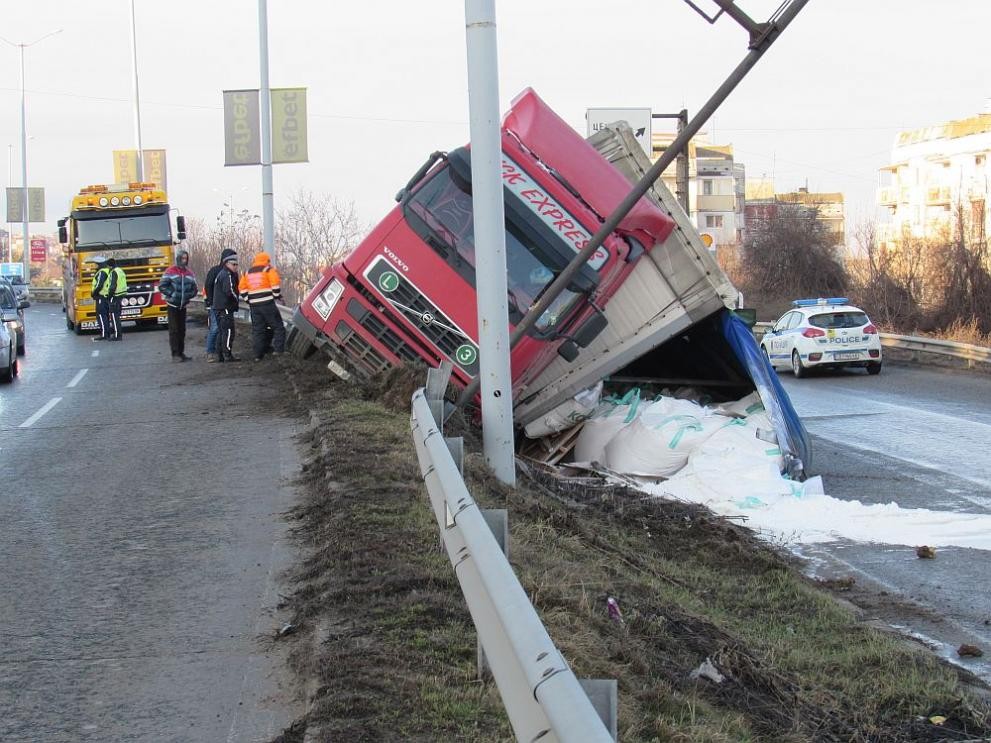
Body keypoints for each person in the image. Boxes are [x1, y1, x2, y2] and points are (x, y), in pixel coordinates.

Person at [238, 251, 286, 362]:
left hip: (254, 306)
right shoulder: (268, 270)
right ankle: (278, 351)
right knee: (278, 327)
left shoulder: (247, 272)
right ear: (267, 261)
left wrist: (248, 301)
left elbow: (242, 288)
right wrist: (276, 296)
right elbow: (275, 284)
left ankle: (258, 355)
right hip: (267, 304)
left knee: (258, 330)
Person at [158, 248, 198, 362]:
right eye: (182, 258)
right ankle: (175, 354)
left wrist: (188, 296)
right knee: (174, 330)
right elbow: (162, 286)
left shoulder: (189, 273)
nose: (184, 260)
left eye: (186, 258)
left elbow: (194, 289)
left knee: (182, 330)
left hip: (183, 305)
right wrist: (173, 294)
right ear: (178, 259)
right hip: (172, 305)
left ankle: (181, 353)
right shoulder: (170, 271)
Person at [203, 248, 237, 362]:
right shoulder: (221, 272)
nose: (235, 263)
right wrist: (210, 301)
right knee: (217, 329)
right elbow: (208, 286)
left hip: (217, 304)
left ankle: (218, 354)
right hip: (218, 305)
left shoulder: (226, 272)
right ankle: (211, 352)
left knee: (219, 329)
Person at [211, 252, 240, 362]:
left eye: (237, 264)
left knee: (222, 331)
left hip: (218, 307)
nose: (236, 267)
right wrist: (236, 299)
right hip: (225, 308)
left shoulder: (222, 274)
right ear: (227, 264)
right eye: (234, 264)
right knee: (228, 331)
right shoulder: (226, 275)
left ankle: (220, 355)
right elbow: (229, 291)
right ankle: (227, 354)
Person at [104, 257, 128, 341]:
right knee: (117, 316)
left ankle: (117, 335)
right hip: (121, 295)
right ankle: (118, 334)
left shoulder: (114, 272)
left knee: (114, 317)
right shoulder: (120, 270)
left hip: (114, 296)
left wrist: (109, 296)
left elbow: (112, 286)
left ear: (109, 266)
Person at [89, 257, 111, 341]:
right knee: (105, 316)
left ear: (99, 264)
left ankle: (104, 334)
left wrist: (94, 293)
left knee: (101, 316)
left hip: (101, 296)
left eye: (96, 264)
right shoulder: (108, 270)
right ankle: (107, 333)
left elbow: (99, 285)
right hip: (107, 296)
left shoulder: (101, 272)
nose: (94, 266)